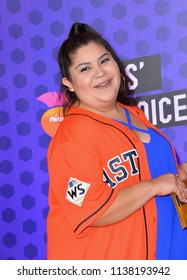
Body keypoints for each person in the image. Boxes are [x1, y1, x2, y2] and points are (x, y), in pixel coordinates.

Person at [47, 22, 187, 260]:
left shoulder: (133, 113)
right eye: (84, 69)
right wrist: (155, 186)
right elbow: (88, 208)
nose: (100, 73)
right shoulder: (72, 135)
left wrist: (177, 175)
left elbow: (148, 173)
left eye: (104, 60)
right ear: (68, 83)